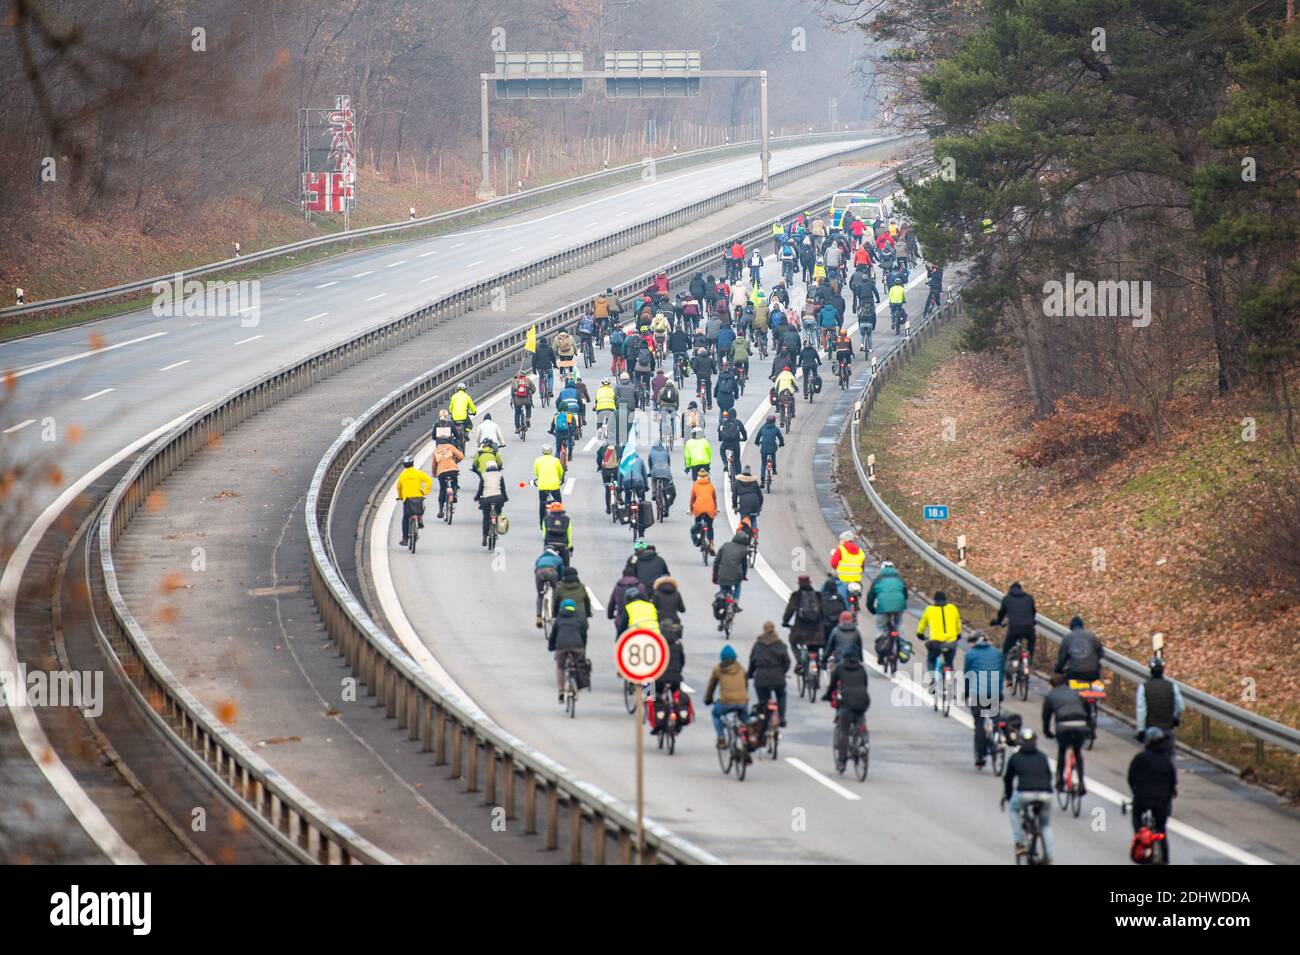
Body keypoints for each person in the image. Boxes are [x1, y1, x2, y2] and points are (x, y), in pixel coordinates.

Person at [1002, 729, 1055, 864]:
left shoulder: (1015, 757)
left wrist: (1008, 796)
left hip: (1024, 793)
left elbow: (1008, 779)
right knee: (1045, 826)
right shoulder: (1042, 756)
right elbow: (1049, 776)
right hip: (1045, 794)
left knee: (1014, 810)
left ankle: (1019, 842)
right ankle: (1048, 856)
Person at [1127, 728, 1178, 862]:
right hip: (1162, 800)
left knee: (1136, 815)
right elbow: (1173, 781)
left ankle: (1141, 836)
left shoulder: (1140, 758)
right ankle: (1165, 858)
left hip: (1142, 797)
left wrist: (1135, 791)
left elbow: (1131, 777)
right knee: (1161, 831)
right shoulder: (1167, 761)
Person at [823, 644, 871, 766]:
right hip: (863, 701)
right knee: (860, 721)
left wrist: (827, 696)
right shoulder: (861, 669)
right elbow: (865, 685)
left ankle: (842, 760)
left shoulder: (839, 669)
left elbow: (832, 686)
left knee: (844, 730)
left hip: (846, 702)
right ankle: (864, 741)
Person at [1042, 673, 1090, 794]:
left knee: (1062, 751)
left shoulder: (1050, 696)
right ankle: (1081, 783)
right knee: (1078, 752)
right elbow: (1087, 708)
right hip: (1080, 724)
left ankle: (1060, 782)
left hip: (1063, 726)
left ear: (1052, 685)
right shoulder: (1075, 692)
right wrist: (1088, 726)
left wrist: (1047, 732)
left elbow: (1046, 716)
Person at [963, 633, 1005, 769]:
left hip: (978, 695)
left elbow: (967, 676)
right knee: (995, 717)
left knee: (979, 724)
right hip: (994, 693)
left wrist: (967, 693)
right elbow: (1001, 673)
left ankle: (980, 756)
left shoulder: (971, 654)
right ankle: (998, 737)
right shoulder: (997, 653)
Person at [1136, 657, 1184, 753]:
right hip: (1167, 728)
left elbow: (1141, 710)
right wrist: (1175, 718)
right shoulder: (1172, 686)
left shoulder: (1144, 687)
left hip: (1150, 728)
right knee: (1169, 756)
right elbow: (1180, 706)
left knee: (1149, 757)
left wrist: (1140, 729)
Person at [705, 645, 749, 748]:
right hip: (742, 702)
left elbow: (712, 686)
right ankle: (749, 736)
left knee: (715, 714)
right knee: (746, 720)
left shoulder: (718, 669)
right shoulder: (741, 668)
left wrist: (708, 699)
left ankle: (721, 738)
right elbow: (746, 685)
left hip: (726, 702)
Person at [992, 582, 1037, 681]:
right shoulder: (1029, 598)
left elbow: (1001, 613)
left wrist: (998, 622)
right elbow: (1033, 612)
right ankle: (1029, 661)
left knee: (1006, 650)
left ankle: (1006, 674)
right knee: (1031, 641)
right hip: (1029, 628)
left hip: (1014, 629)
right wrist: (1032, 621)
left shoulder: (1007, 599)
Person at [748, 622, 790, 727]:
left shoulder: (757, 645)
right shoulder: (780, 644)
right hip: (778, 677)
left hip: (761, 678)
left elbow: (752, 662)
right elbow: (787, 662)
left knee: (763, 700)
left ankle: (763, 718)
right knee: (781, 695)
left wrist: (750, 674)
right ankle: (782, 716)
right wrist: (782, 672)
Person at [865, 559, 907, 662]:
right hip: (898, 606)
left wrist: (872, 609)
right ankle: (901, 645)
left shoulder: (878, 579)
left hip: (883, 607)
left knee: (881, 627)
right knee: (899, 623)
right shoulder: (899, 578)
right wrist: (902, 605)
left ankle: (881, 649)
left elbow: (871, 596)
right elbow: (905, 594)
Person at [547, 599, 589, 702]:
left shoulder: (559, 619)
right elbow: (583, 633)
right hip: (577, 646)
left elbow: (553, 635)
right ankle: (577, 687)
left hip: (561, 646)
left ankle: (561, 691)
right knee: (579, 665)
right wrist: (583, 645)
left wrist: (551, 646)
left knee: (560, 667)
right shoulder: (580, 617)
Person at [782, 574, 824, 669]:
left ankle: (800, 663)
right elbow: (823, 612)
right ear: (809, 583)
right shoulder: (818, 595)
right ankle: (817, 665)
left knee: (792, 642)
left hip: (800, 631)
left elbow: (789, 611)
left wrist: (785, 622)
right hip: (816, 632)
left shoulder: (796, 595)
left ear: (799, 584)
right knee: (815, 646)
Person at [917, 591, 962, 680]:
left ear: (934, 600)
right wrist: (958, 635)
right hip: (951, 642)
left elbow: (922, 624)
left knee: (931, 659)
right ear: (946, 599)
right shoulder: (953, 608)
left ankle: (933, 678)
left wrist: (920, 634)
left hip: (935, 642)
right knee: (949, 662)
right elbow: (958, 624)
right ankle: (950, 679)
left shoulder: (929, 610)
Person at [395, 454, 432, 547]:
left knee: (405, 518)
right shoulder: (418, 473)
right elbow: (429, 481)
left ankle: (405, 539)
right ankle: (419, 519)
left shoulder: (402, 475)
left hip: (407, 499)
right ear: (412, 464)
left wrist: (401, 497)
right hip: (418, 498)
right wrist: (425, 492)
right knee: (421, 508)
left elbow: (399, 487)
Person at [1056, 616, 1104, 683]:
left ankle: (1073, 689)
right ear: (1082, 626)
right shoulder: (1092, 636)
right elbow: (1101, 654)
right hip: (1093, 674)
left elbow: (1062, 658)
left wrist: (1058, 670)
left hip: (1075, 674)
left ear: (1071, 627)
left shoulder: (1067, 638)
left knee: (1067, 685)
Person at [473, 460, 508, 547]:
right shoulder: (500, 475)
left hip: (487, 500)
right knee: (498, 513)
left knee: (486, 517)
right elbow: (503, 489)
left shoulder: (483, 475)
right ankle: (496, 526)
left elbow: (480, 489)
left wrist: (477, 497)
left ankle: (484, 537)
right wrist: (505, 498)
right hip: (498, 498)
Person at [712, 530, 750, 609]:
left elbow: (716, 562)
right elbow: (744, 565)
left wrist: (715, 575)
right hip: (736, 576)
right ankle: (735, 601)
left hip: (722, 574)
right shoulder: (744, 550)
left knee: (723, 585)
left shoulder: (725, 545)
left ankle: (722, 594)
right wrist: (744, 576)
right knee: (737, 586)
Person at [829, 530, 867, 605]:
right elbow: (862, 568)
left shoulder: (841, 550)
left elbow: (833, 564)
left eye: (841, 540)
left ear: (844, 540)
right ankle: (856, 605)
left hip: (842, 580)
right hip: (856, 581)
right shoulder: (860, 551)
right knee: (857, 594)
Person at [533, 446, 565, 527]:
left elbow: (537, 473)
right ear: (551, 451)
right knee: (559, 502)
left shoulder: (537, 460)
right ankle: (560, 521)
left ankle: (541, 523)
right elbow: (560, 473)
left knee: (542, 504)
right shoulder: (556, 460)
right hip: (554, 486)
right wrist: (560, 479)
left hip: (542, 486)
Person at [431, 440, 464, 519]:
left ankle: (440, 511)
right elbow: (461, 456)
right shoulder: (450, 447)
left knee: (442, 489)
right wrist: (456, 461)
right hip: (453, 469)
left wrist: (434, 473)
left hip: (442, 472)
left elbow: (434, 465)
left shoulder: (436, 451)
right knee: (454, 481)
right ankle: (454, 494)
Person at [534, 547, 565, 627]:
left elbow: (536, 567)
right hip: (551, 571)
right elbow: (561, 573)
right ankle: (554, 614)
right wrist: (560, 581)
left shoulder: (540, 558)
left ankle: (539, 617)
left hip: (539, 572)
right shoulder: (558, 558)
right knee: (555, 590)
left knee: (540, 595)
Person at [689, 468, 718, 554]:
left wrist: (691, 509)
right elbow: (714, 498)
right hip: (710, 508)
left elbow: (692, 499)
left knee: (696, 526)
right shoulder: (710, 485)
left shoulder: (695, 485)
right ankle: (711, 544)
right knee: (710, 526)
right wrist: (715, 509)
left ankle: (698, 541)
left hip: (698, 509)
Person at [751, 413, 785, 480]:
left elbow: (758, 436)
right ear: (774, 421)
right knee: (773, 455)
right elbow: (780, 438)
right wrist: (781, 444)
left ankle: (762, 479)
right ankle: (774, 468)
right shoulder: (776, 429)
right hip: (773, 447)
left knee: (763, 463)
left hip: (764, 448)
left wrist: (757, 442)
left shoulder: (762, 428)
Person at [731, 464, 764, 530]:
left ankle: (745, 534)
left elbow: (734, 496)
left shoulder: (737, 482)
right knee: (753, 519)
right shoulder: (754, 482)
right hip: (755, 502)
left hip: (744, 503)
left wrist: (735, 506)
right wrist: (759, 506)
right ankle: (755, 535)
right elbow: (761, 497)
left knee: (744, 522)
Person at [541, 500, 573, 566]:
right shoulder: (567, 519)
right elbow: (569, 533)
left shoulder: (546, 519)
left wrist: (545, 544)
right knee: (566, 566)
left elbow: (544, 533)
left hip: (550, 544)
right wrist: (569, 546)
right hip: (563, 544)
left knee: (546, 563)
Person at [716, 409, 746, 477]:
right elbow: (743, 431)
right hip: (735, 444)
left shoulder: (723, 422)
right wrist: (744, 438)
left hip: (725, 443)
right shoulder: (738, 422)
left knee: (721, 450)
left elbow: (719, 431)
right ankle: (738, 476)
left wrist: (720, 439)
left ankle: (725, 463)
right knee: (737, 460)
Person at [820, 576, 848, 646]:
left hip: (825, 626)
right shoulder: (839, 597)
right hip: (838, 625)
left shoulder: (821, 597)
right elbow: (845, 609)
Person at [656, 376, 680, 444]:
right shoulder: (675, 390)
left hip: (664, 407)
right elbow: (677, 400)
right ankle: (673, 434)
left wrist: (659, 405)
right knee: (672, 420)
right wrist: (677, 407)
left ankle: (661, 435)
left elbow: (658, 401)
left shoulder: (662, 390)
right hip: (673, 407)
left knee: (663, 421)